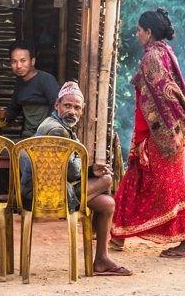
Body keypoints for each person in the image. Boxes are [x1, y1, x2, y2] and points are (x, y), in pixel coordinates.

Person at [20, 81, 132, 276]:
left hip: (55, 188)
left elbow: (66, 169)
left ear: (82, 111)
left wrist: (90, 170)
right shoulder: (56, 130)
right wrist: (89, 172)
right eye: (67, 106)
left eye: (77, 108)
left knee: (106, 203)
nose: (72, 111)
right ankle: (96, 232)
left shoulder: (61, 126)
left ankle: (101, 260)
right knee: (106, 180)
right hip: (44, 194)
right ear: (57, 105)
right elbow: (67, 172)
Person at [111, 7, 185, 258]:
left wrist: (140, 138)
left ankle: (120, 235)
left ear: (149, 32)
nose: (136, 34)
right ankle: (119, 234)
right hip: (174, 135)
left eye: (139, 30)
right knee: (162, 186)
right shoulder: (166, 53)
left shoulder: (151, 58)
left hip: (157, 138)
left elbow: (150, 103)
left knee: (146, 184)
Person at [3, 40, 60, 138]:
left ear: (32, 61)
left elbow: (57, 107)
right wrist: (3, 116)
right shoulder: (20, 83)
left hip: (45, 137)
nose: (18, 66)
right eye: (14, 61)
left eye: (23, 60)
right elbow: (14, 109)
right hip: (27, 136)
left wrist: (43, 133)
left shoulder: (46, 80)